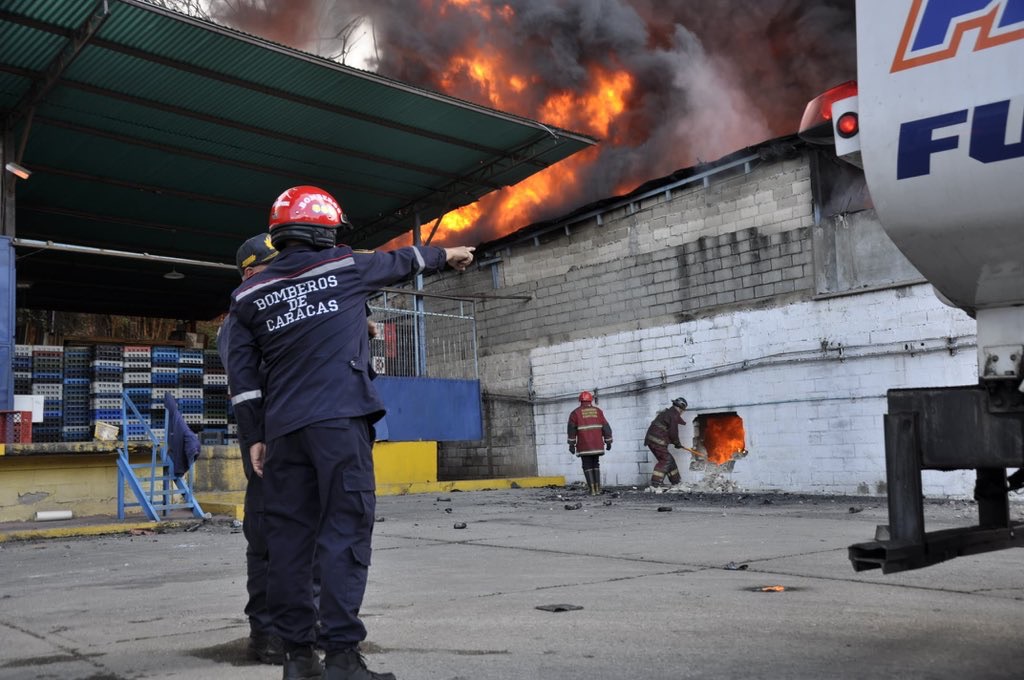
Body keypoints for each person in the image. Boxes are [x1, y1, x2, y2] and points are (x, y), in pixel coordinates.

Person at [226, 185, 475, 680]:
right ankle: (341, 656)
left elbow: (243, 380)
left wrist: (255, 437)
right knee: (344, 534)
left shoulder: (247, 296)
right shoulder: (343, 266)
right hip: (338, 424)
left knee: (290, 543)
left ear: (279, 233)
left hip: (281, 434)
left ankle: (298, 660)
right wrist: (448, 253)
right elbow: (403, 261)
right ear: (326, 229)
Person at [220, 233, 285, 664]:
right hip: (263, 438)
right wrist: (258, 440)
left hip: (294, 434)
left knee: (309, 536)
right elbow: (244, 389)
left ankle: (306, 626)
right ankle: (266, 634)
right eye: (272, 266)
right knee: (266, 537)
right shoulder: (238, 322)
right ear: (250, 271)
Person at [566, 391, 612, 495]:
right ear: (591, 400)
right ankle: (598, 489)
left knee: (587, 465)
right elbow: (606, 427)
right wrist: (608, 441)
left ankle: (592, 490)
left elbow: (571, 430)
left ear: (580, 401)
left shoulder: (575, 413)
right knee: (596, 464)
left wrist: (571, 445)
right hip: (597, 445)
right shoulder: (598, 411)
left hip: (584, 445)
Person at [645, 397, 688, 488]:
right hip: (656, 441)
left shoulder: (669, 413)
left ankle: (676, 482)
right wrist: (677, 443)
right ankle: (656, 484)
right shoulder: (673, 415)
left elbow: (668, 431)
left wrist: (676, 443)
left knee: (670, 460)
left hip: (653, 441)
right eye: (683, 410)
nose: (682, 412)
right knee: (666, 460)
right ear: (680, 408)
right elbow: (673, 432)